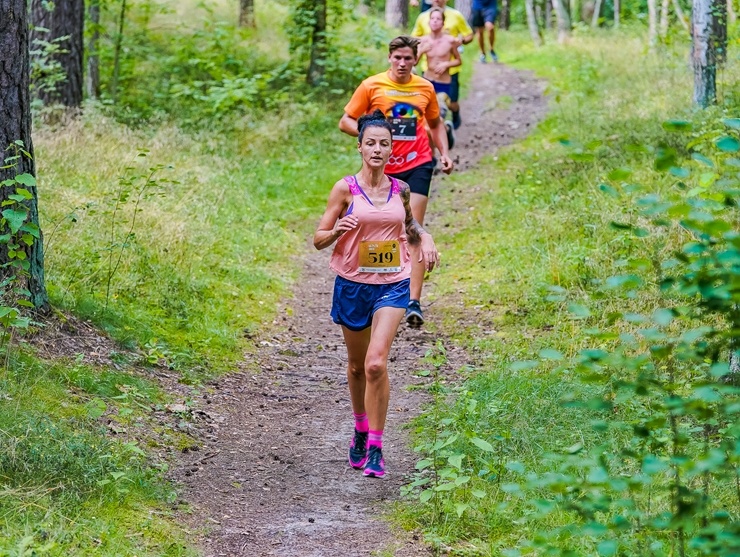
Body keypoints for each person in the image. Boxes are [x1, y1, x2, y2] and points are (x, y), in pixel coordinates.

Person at [315, 110, 440, 478]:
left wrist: (426, 237)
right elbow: (318, 239)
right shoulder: (344, 189)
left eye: (384, 143)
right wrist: (338, 229)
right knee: (356, 366)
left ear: (390, 149)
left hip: (392, 283)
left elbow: (412, 227)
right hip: (353, 284)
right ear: (359, 147)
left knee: (375, 364)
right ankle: (359, 427)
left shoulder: (400, 189)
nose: (377, 149)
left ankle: (376, 447)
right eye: (371, 142)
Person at [339, 36, 452, 329]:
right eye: (397, 58)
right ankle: (378, 286)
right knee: (378, 227)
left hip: (418, 163)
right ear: (389, 58)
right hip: (382, 169)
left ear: (416, 60)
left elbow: (436, 123)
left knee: (411, 228)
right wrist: (371, 140)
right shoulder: (372, 85)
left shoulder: (425, 87)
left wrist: (445, 153)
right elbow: (346, 121)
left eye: (408, 58)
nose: (402, 63)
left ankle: (413, 301)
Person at [411, 0, 473, 130]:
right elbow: (413, 41)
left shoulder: (455, 17)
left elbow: (468, 36)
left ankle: (451, 122)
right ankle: (435, 137)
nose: (434, 21)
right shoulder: (423, 17)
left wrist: (459, 42)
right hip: (427, 73)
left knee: (451, 104)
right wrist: (422, 48)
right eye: (432, 19)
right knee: (428, 111)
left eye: (438, 19)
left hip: (449, 74)